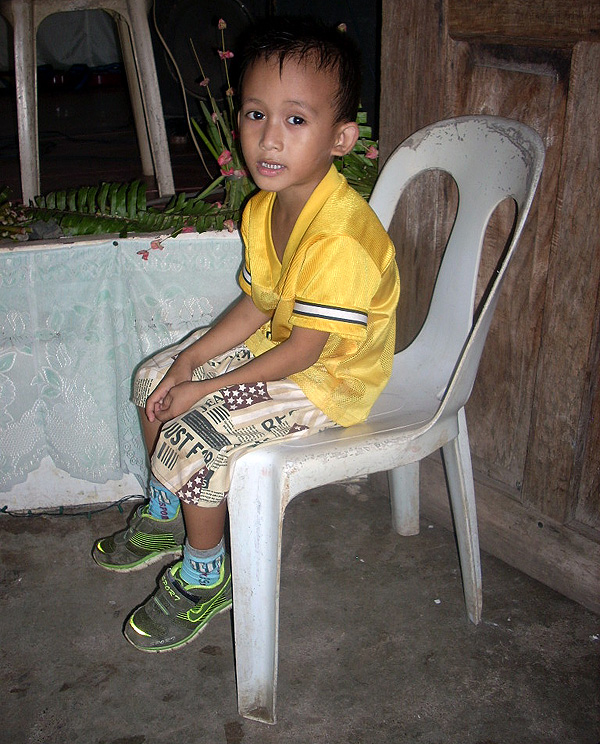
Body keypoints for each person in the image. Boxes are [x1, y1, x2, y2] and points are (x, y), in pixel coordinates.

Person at [92, 17, 400, 653]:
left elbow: (306, 350)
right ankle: (167, 509)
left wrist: (209, 387)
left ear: (342, 138)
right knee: (155, 378)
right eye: (257, 114)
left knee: (197, 434)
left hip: (329, 379)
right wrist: (190, 362)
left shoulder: (340, 237)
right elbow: (260, 303)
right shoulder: (265, 206)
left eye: (296, 120)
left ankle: (207, 575)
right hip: (282, 350)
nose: (269, 138)